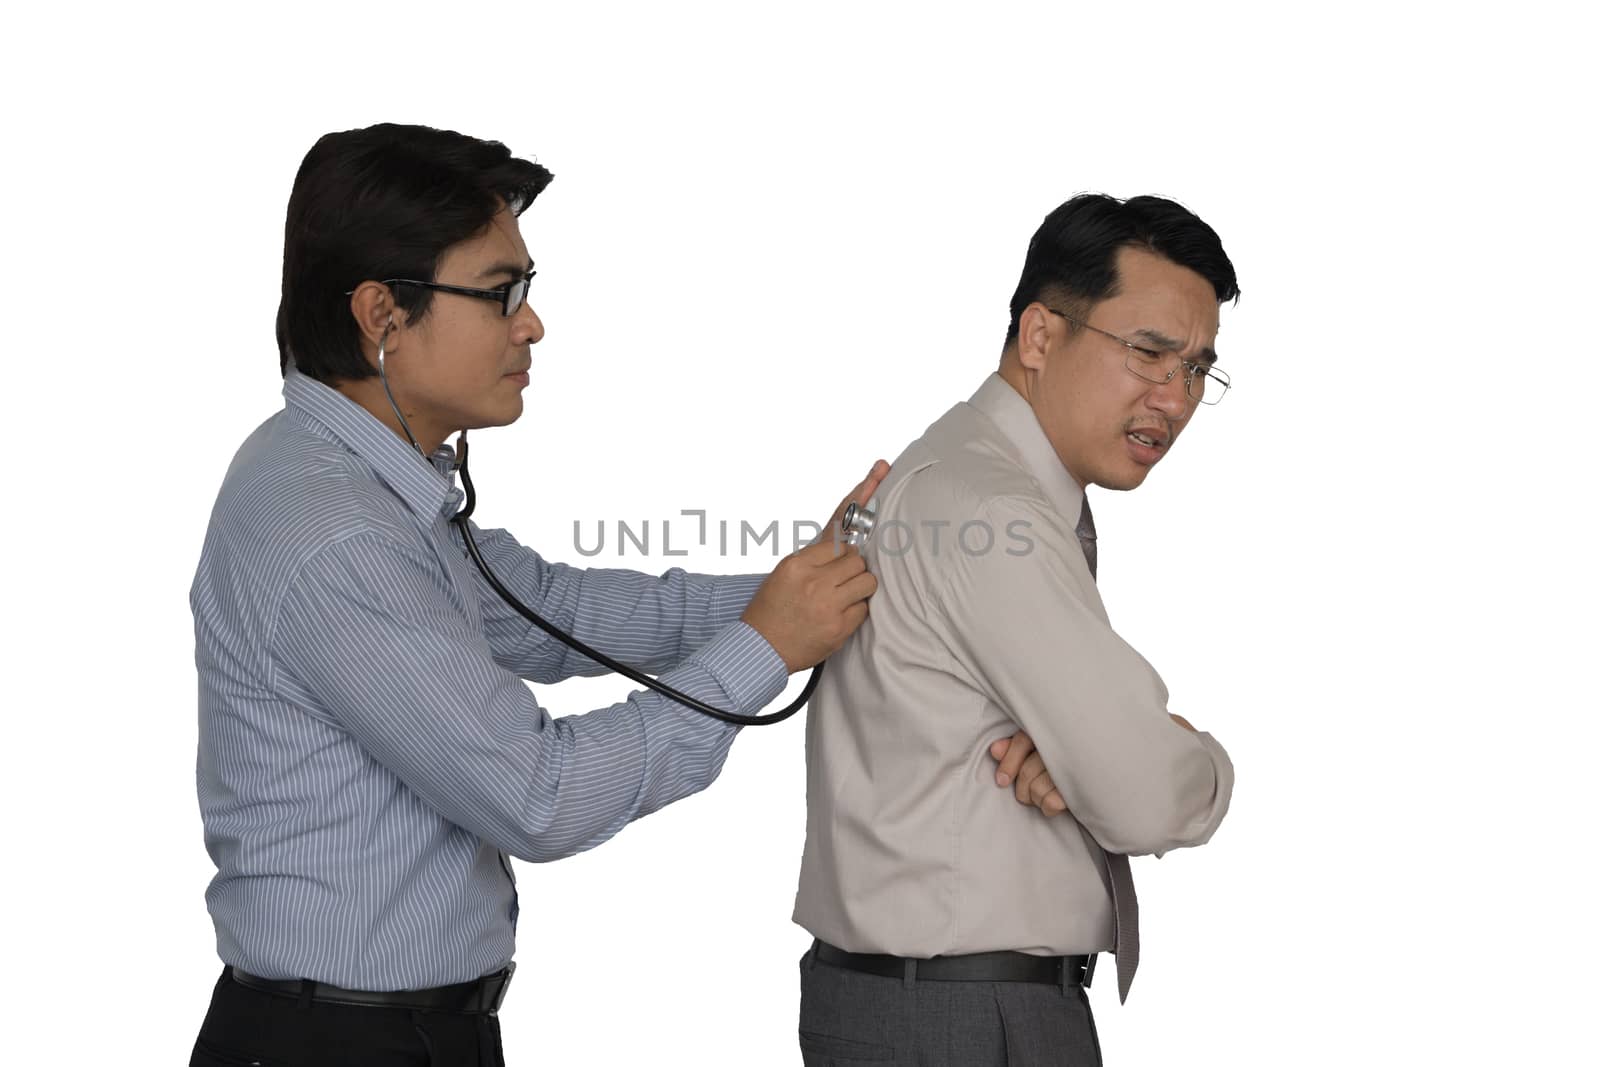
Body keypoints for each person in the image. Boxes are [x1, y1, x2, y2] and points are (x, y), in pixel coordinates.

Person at [185, 122, 899, 1066]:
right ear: (380, 315)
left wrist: (806, 588)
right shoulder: (338, 533)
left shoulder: (357, 481)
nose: (531, 323)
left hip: (394, 1029)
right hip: (341, 1042)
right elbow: (537, 795)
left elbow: (556, 608)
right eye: (499, 292)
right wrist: (767, 644)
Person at [793, 193, 1240, 1065]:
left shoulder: (961, 473)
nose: (1174, 397)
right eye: (1149, 352)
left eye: (1196, 368)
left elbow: (1112, 771)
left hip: (916, 1005)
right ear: (1040, 336)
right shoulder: (992, 506)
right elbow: (1144, 789)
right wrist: (1196, 758)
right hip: (965, 1020)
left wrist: (1091, 761)